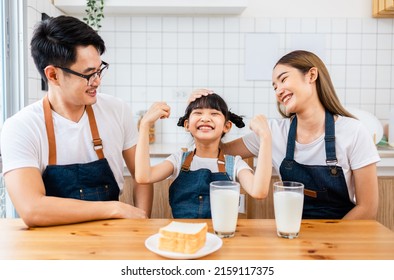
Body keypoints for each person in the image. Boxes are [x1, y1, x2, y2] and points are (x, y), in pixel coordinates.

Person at [0, 15, 152, 227]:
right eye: (89, 74)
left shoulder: (116, 110)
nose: (97, 81)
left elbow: (142, 176)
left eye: (100, 70)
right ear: (53, 75)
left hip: (112, 237)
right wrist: (114, 208)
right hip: (50, 246)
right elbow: (32, 209)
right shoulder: (20, 127)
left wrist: (142, 221)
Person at [191, 50, 380, 220]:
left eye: (283, 79)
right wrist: (198, 110)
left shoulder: (353, 131)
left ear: (311, 75)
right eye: (274, 86)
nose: (278, 91)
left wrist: (329, 243)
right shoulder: (273, 132)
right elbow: (213, 150)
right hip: (292, 232)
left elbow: (368, 208)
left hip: (343, 239)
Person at [135, 93, 272, 218]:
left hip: (222, 237)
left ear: (227, 126)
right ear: (187, 125)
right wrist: (145, 125)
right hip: (185, 237)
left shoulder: (234, 164)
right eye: (198, 112)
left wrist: (265, 138)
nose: (205, 118)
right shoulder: (178, 160)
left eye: (214, 113)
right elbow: (144, 177)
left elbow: (258, 192)